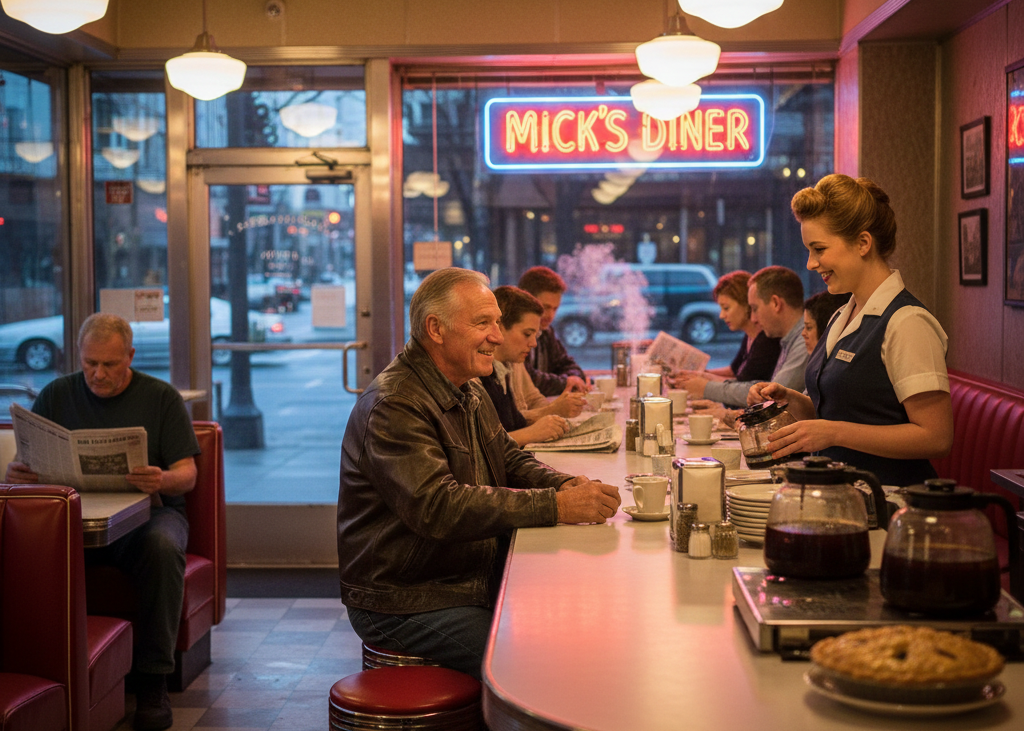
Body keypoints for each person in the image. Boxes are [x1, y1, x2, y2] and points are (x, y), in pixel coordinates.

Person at [337, 267, 620, 680]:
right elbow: (438, 506)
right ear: (436, 328)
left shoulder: (465, 386)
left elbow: (509, 458)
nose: (498, 337)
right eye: (483, 323)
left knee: (575, 626)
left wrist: (566, 484)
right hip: (405, 597)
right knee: (531, 663)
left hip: (462, 577)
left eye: (498, 324)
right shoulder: (395, 404)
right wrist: (556, 505)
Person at [5, 313, 200, 731]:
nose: (98, 373)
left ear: (130, 356)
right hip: (78, 521)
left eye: (110, 364)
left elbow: (189, 474)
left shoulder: (160, 397)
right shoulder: (57, 394)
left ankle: (152, 683)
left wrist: (162, 477)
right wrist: (17, 474)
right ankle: (36, 669)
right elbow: (27, 462)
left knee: (163, 550)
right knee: (23, 547)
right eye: (90, 363)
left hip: (149, 517)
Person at [748, 174, 953, 486]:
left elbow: (936, 437)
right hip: (841, 496)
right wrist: (789, 399)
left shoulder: (907, 322)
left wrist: (834, 432)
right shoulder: (842, 315)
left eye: (819, 249)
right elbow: (835, 409)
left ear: (862, 243)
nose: (810, 264)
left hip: (892, 501)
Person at [679, 266, 809, 408]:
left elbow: (772, 397)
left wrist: (706, 387)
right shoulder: (789, 338)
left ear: (776, 303)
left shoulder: (802, 339)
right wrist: (704, 378)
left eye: (754, 308)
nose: (753, 318)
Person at [479, 285, 585, 447]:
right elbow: (482, 446)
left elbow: (532, 400)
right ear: (499, 328)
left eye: (536, 335)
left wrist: (553, 419)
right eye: (527, 334)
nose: (534, 343)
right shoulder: (477, 372)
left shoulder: (512, 361)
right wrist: (551, 412)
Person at [671, 270, 780, 404]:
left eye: (726, 308)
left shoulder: (766, 341)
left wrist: (703, 380)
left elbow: (741, 386)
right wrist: (700, 374)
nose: (722, 315)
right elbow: (734, 371)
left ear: (746, 304)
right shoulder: (749, 336)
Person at [517, 266, 588, 396]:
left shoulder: (546, 332)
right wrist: (568, 382)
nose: (550, 315)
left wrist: (574, 379)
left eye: (555, 309)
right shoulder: (514, 334)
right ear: (525, 298)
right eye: (545, 307)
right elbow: (529, 380)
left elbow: (569, 365)